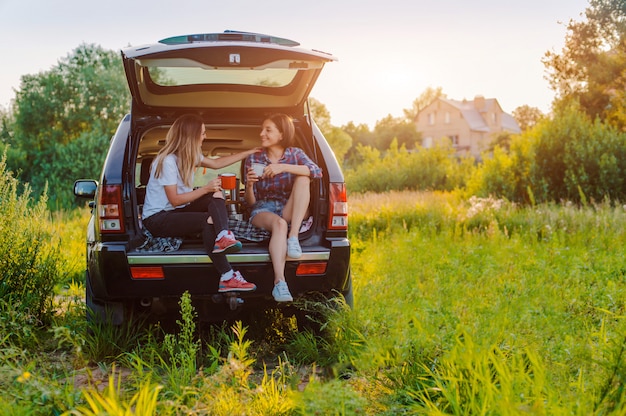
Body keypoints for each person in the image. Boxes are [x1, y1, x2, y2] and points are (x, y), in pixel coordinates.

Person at [142, 114, 259, 293]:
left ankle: (223, 236)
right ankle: (228, 276)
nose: (205, 137)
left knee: (217, 194)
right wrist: (205, 189)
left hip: (177, 211)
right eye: (202, 133)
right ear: (192, 135)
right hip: (157, 219)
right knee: (207, 219)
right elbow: (174, 200)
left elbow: (216, 163)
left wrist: (249, 152)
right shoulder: (167, 161)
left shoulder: (190, 155)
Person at [243, 113, 323, 302]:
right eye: (262, 129)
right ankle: (280, 283)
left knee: (304, 178)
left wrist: (284, 167)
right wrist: (248, 186)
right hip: (263, 210)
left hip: (290, 210)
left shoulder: (295, 154)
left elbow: (316, 171)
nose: (262, 133)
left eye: (268, 130)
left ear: (281, 134)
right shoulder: (254, 159)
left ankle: (293, 237)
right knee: (279, 224)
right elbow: (250, 203)